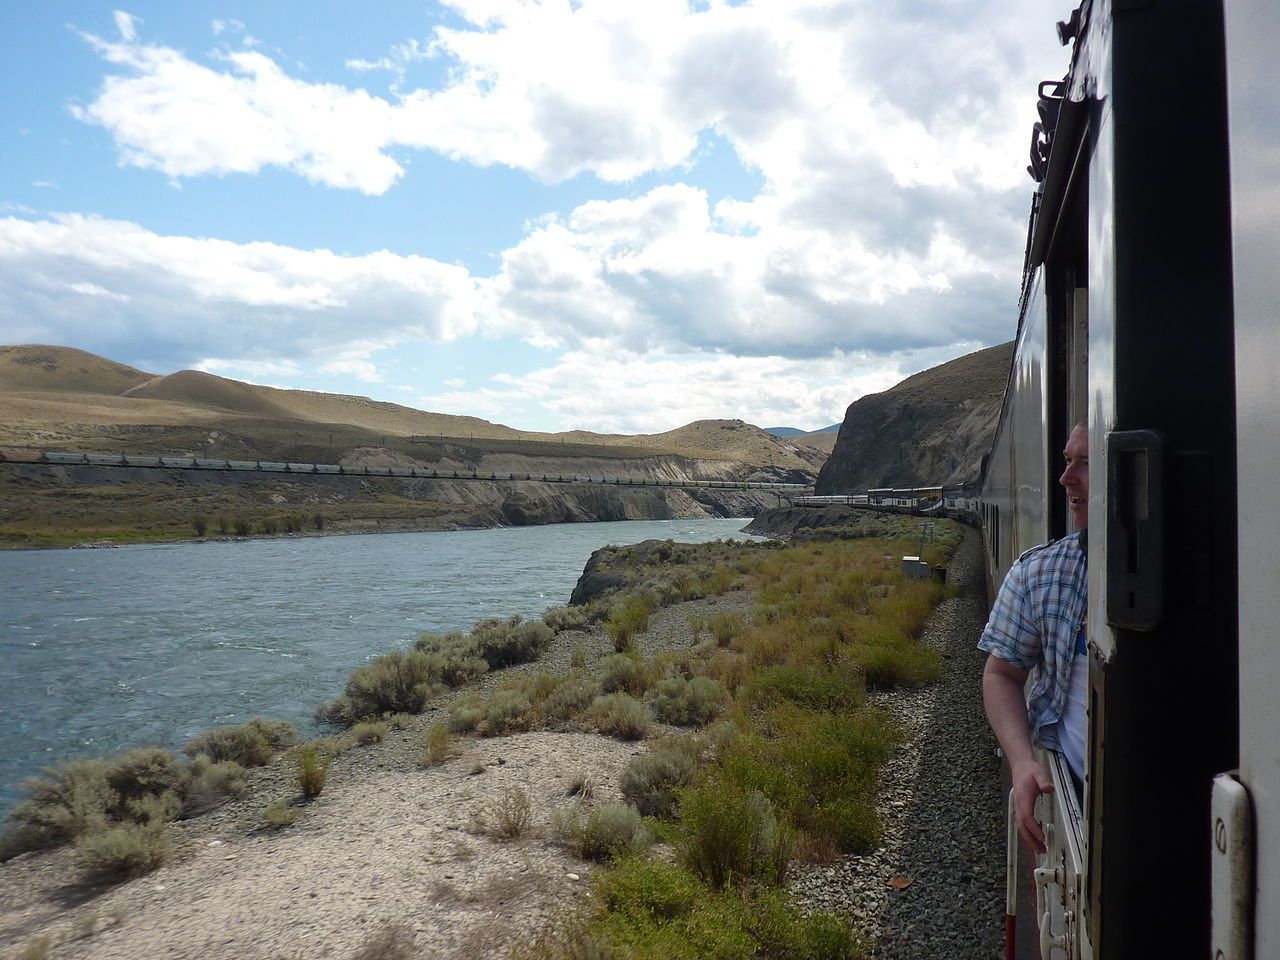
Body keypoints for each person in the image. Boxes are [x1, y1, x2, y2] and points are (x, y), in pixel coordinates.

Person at [978, 420, 1088, 855]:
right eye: (1066, 461)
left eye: (1085, 462)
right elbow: (1001, 674)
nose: (1066, 478)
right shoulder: (1041, 572)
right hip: (1071, 803)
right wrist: (1023, 761)